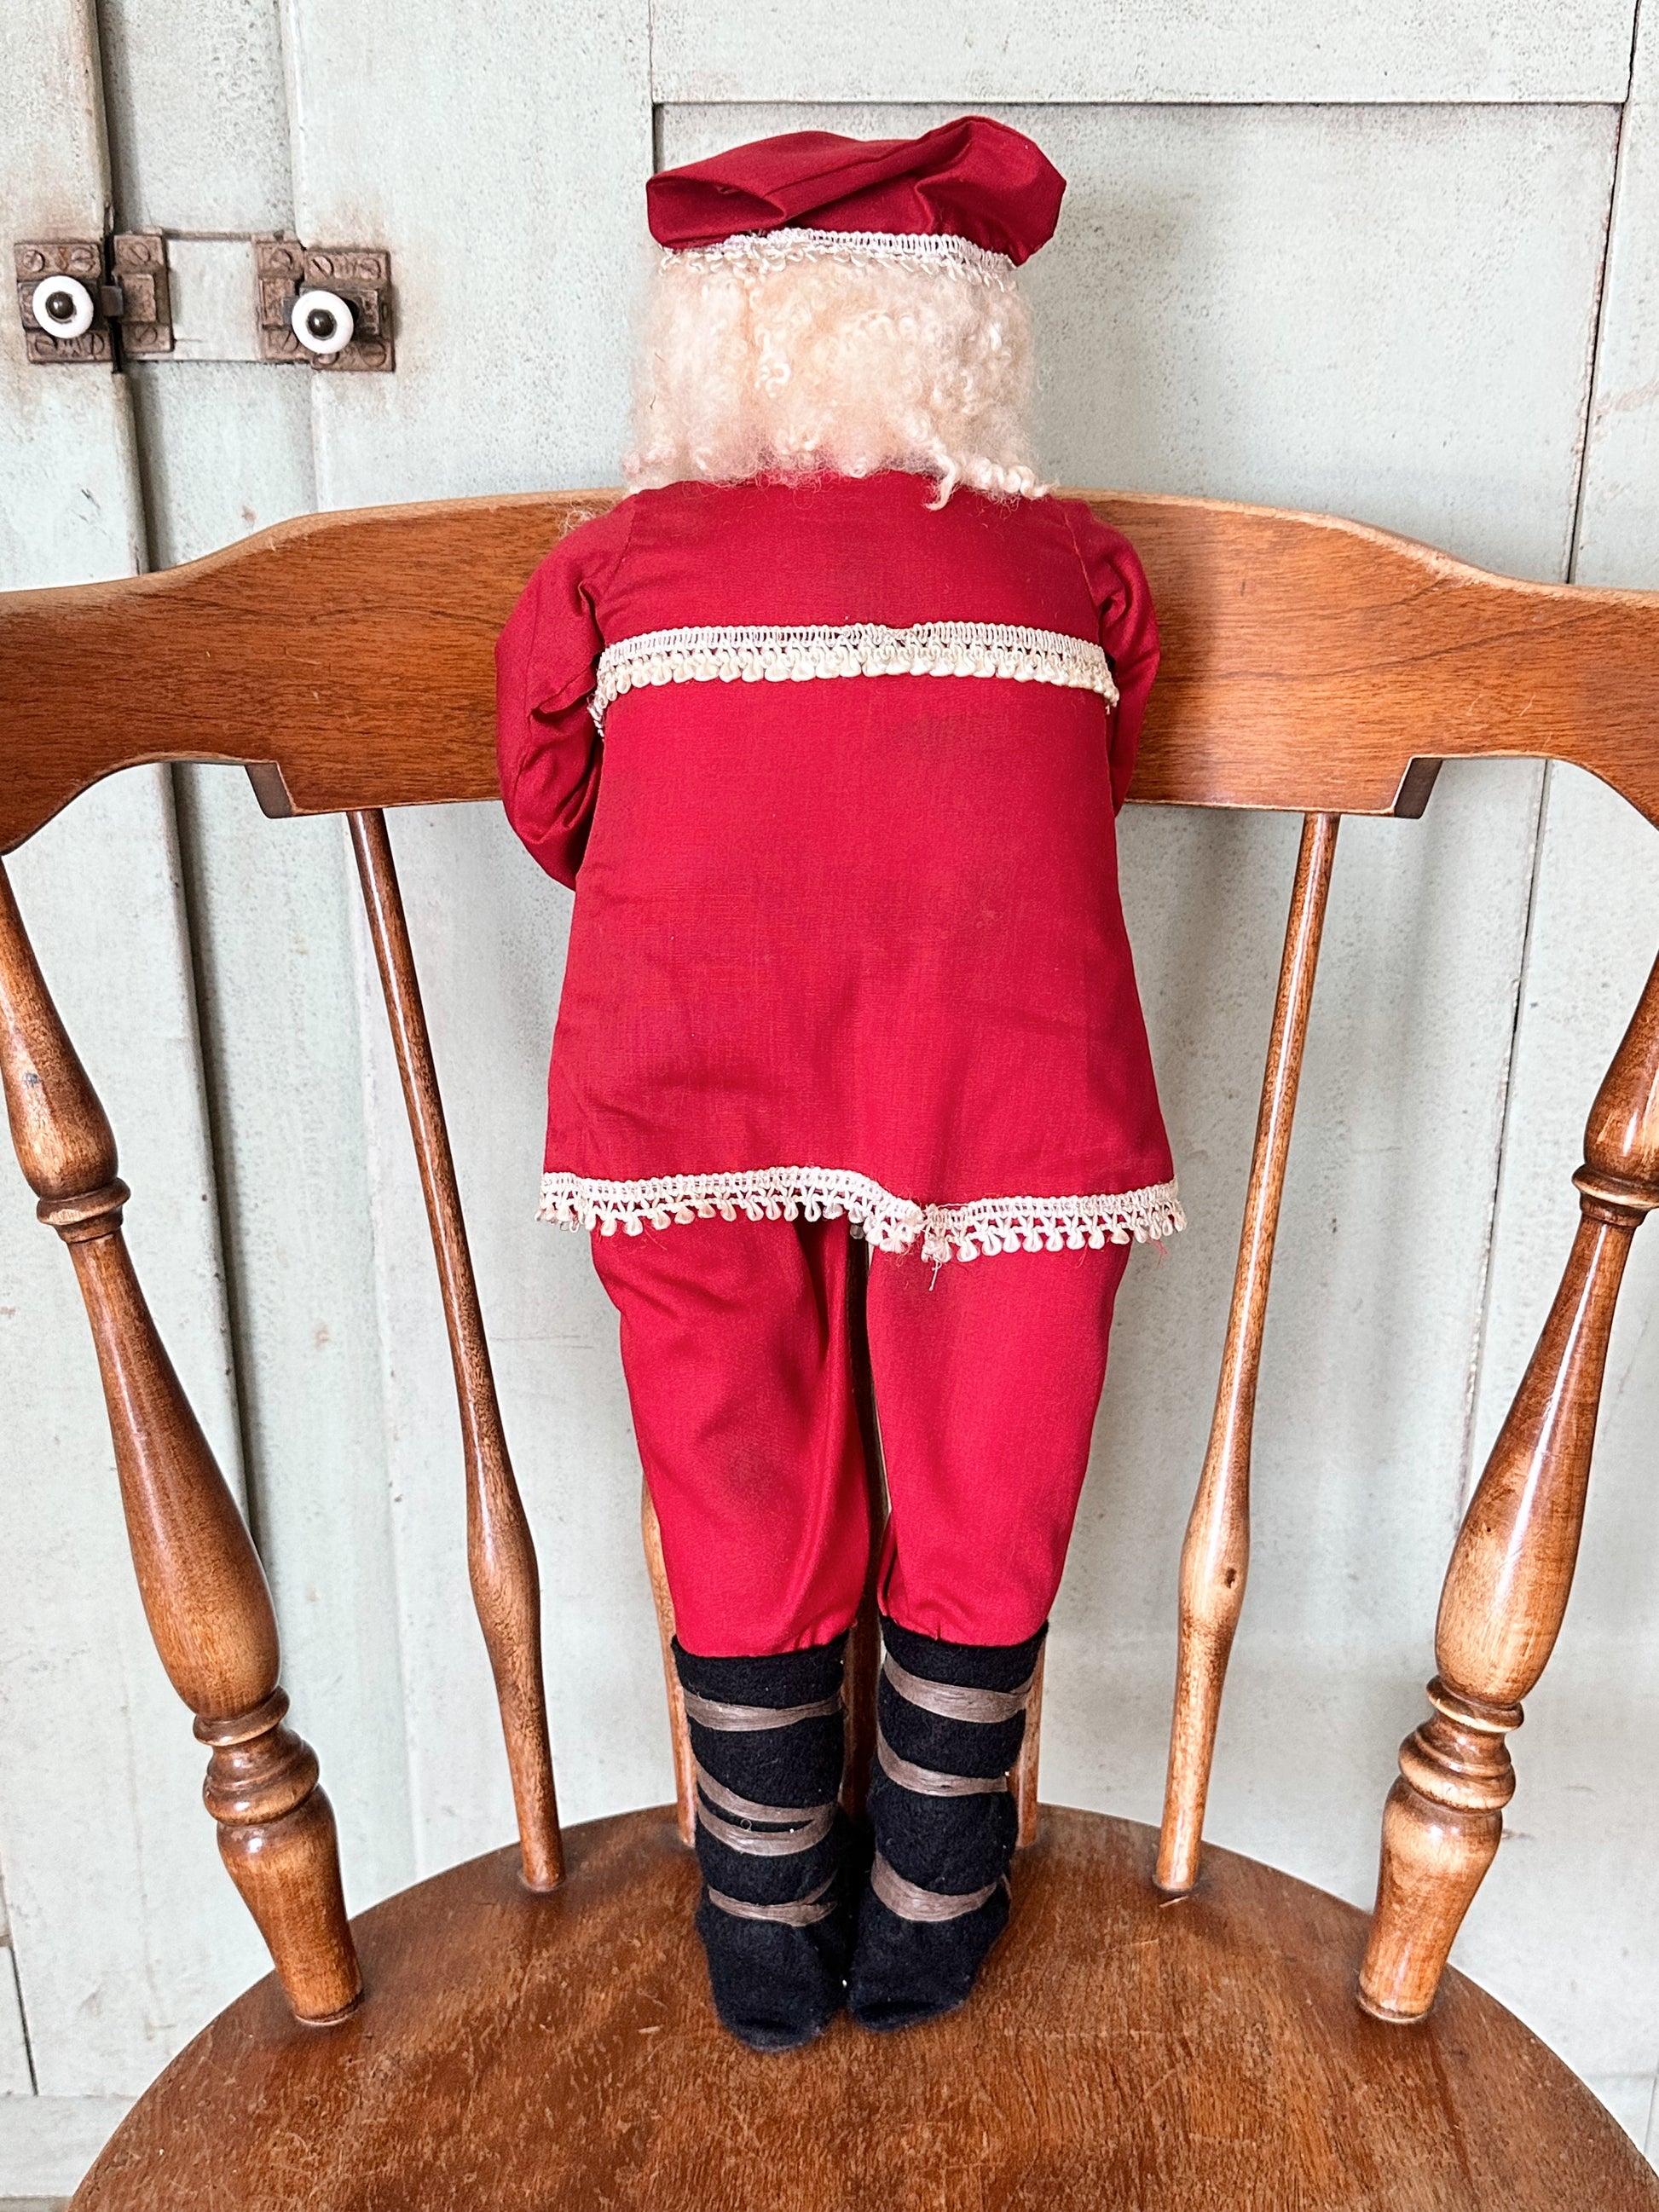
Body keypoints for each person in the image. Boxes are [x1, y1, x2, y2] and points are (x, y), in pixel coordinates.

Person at [496, 114, 1180, 2052]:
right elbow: (1093, 778)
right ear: (964, 347)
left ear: (711, 348)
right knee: (993, 1444)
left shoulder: (614, 568)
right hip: (1007, 1072)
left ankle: (762, 1908)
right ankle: (935, 1887)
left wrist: (715, 881)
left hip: (685, 1069)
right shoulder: (1077, 568)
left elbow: (552, 804)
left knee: (725, 1444)